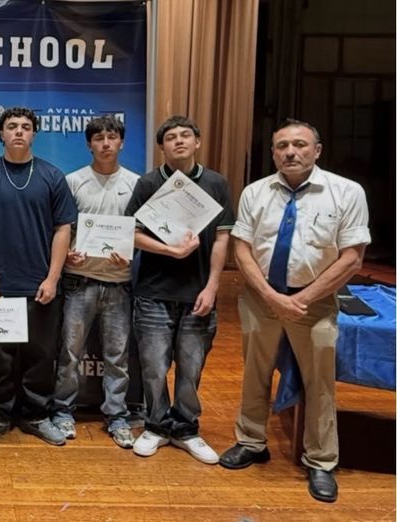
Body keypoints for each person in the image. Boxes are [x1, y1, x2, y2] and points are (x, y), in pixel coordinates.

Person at [219, 120, 370, 503]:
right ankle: (251, 441)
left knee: (319, 383)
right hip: (261, 298)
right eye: (282, 145)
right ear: (273, 153)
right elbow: (242, 248)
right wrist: (271, 296)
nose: (291, 152)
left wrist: (301, 299)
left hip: (314, 301)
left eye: (300, 144)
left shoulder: (346, 193)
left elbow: (352, 257)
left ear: (316, 150)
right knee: (254, 374)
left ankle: (320, 461)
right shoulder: (256, 193)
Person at [0, 106, 77, 447]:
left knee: (41, 355)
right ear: (0, 133)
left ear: (34, 134)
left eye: (26, 127)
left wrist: (53, 278)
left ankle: (36, 414)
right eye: (11, 126)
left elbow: (63, 229)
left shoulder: (51, 177)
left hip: (39, 285)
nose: (18, 132)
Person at [124, 115, 234, 464]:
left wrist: (213, 286)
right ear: (162, 147)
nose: (179, 141)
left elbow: (222, 237)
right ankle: (156, 425)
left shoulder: (216, 183)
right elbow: (131, 233)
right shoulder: (148, 183)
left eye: (186, 135)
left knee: (191, 366)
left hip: (197, 293)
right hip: (153, 292)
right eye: (171, 137)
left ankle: (186, 427)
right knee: (154, 367)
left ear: (197, 142)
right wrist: (169, 250)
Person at [51, 115, 139, 449]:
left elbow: (141, 231)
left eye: (112, 137)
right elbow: (61, 229)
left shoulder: (135, 182)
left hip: (119, 281)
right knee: (70, 352)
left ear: (121, 142)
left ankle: (116, 416)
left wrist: (130, 252)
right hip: (79, 281)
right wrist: (69, 253)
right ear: (89, 144)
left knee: (117, 355)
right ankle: (62, 410)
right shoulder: (73, 182)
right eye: (98, 138)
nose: (105, 143)